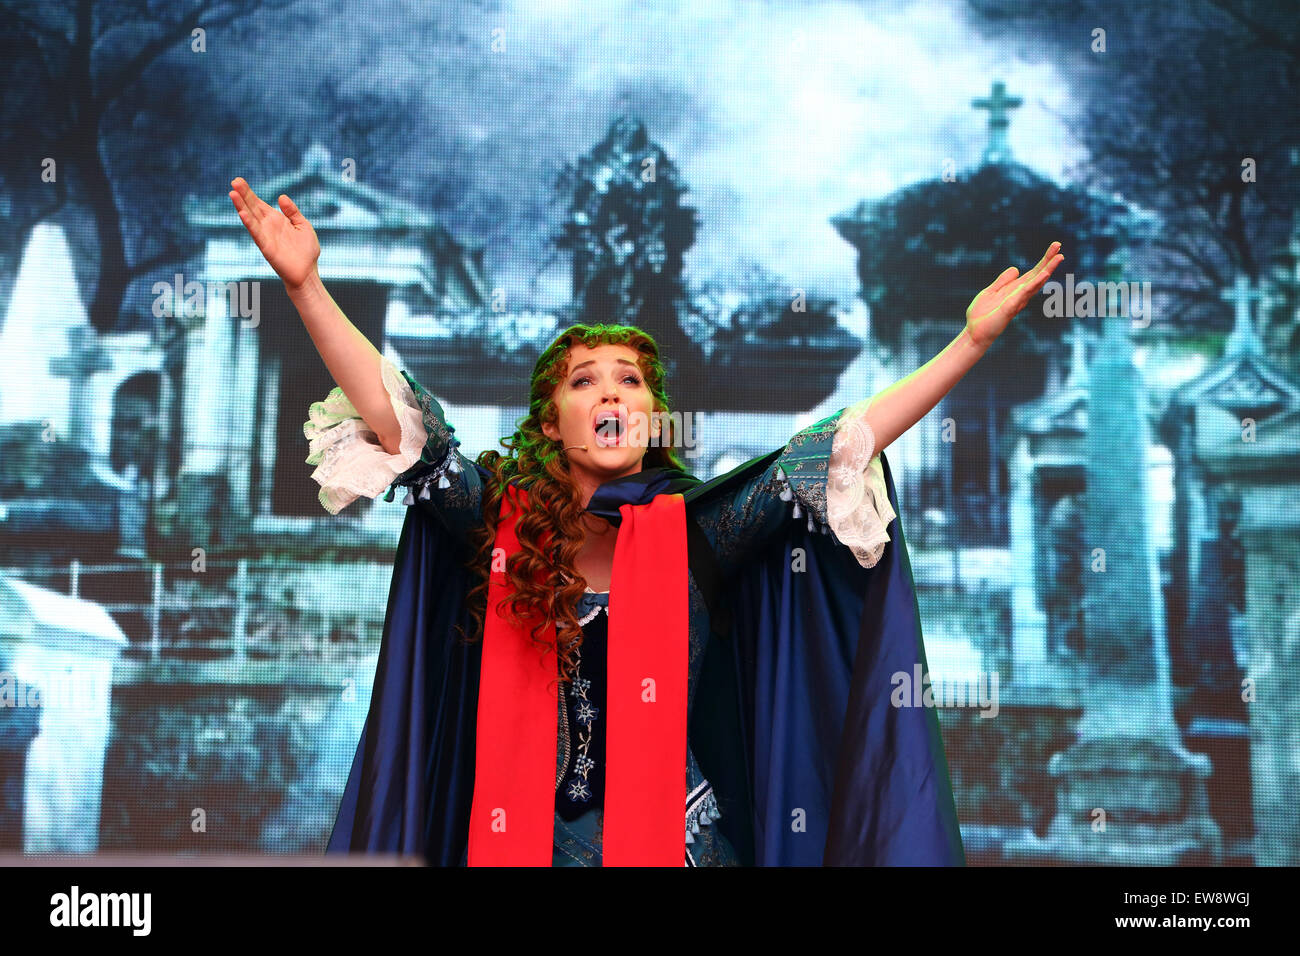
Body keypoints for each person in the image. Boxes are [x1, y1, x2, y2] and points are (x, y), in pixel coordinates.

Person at [229, 176, 1063, 866]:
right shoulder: (493, 517)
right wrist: (304, 285)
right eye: (585, 380)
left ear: (654, 416)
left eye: (630, 381)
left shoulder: (703, 532)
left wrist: (969, 345)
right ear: (550, 418)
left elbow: (840, 447)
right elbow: (397, 421)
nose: (611, 395)